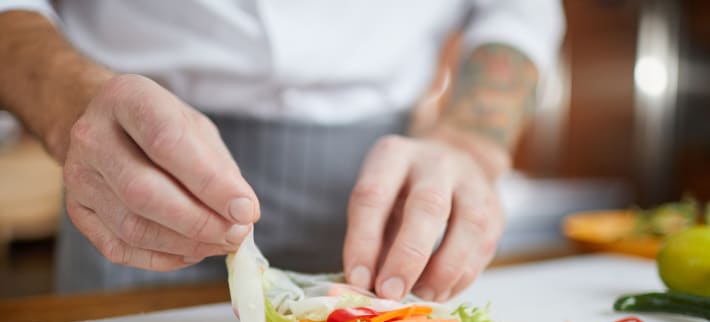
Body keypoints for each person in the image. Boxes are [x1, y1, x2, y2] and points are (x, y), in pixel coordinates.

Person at [0, 1, 564, 301]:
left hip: (384, 191)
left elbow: (520, 9)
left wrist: (471, 140)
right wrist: (66, 100)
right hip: (127, 165)